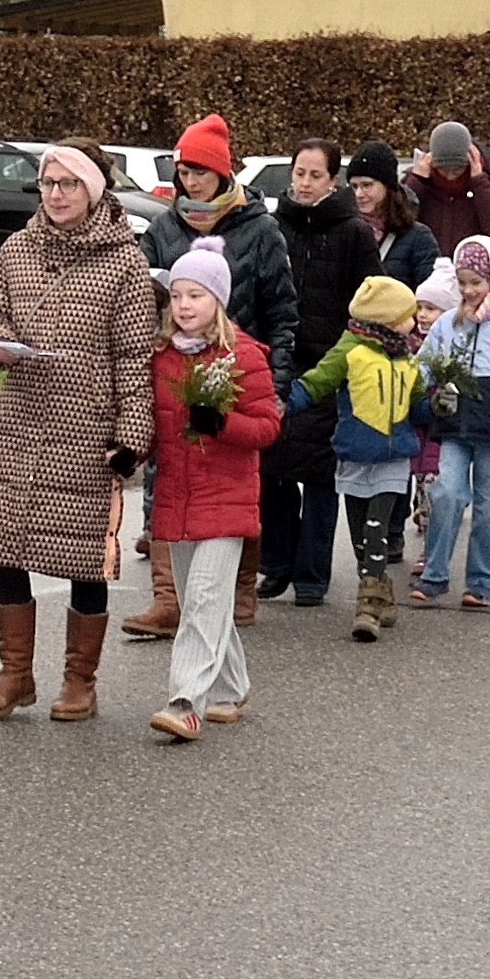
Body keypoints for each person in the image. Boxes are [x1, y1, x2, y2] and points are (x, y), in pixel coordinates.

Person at [0, 145, 162, 724]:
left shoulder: (125, 262)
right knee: (8, 546)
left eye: (67, 184)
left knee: (84, 559)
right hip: (20, 423)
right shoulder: (16, 249)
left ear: (93, 190)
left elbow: (133, 357)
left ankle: (80, 680)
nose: (54, 194)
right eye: (47, 184)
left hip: (86, 429)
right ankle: (15, 673)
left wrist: (132, 434)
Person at [129, 114, 294, 642]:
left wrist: (281, 382)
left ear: (222, 174)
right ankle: (167, 597)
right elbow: (142, 298)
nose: (191, 182)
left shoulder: (259, 229)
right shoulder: (163, 227)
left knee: (230, 482)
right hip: (174, 364)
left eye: (200, 171)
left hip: (237, 369)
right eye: (183, 171)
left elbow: (283, 311)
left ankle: (238, 590)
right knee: (165, 477)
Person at [142, 240, 283, 740]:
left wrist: (221, 422)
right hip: (177, 502)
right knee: (204, 599)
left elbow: (267, 428)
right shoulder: (160, 358)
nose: (183, 306)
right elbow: (151, 426)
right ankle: (230, 687)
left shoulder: (242, 355)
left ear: (218, 300)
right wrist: (128, 453)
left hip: (226, 500)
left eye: (196, 295)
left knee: (202, 600)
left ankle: (185, 701)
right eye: (177, 295)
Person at [267, 139, 378, 605]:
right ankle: (276, 564)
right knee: (271, 470)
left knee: (318, 475)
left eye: (316, 175)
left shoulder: (353, 232)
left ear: (333, 180)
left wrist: (347, 355)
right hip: (279, 361)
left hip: (329, 366)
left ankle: (312, 575)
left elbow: (368, 300)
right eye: (300, 173)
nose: (305, 183)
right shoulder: (273, 226)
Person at [293, 276, 428, 642]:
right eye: (406, 316)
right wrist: (286, 401)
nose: (413, 323)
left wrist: (438, 405)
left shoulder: (406, 356)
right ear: (385, 320)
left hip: (393, 457)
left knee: (376, 529)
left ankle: (366, 607)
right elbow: (319, 381)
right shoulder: (350, 350)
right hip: (355, 454)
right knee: (359, 538)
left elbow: (418, 405)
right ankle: (380, 589)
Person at [407, 234, 490, 609]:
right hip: (454, 429)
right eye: (462, 283)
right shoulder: (449, 325)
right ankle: (434, 574)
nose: (469, 290)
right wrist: (425, 402)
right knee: (446, 492)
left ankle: (482, 582)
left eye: (476, 283)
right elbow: (423, 371)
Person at [411, 121, 490, 263]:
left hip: (475, 276)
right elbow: (397, 221)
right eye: (443, 170)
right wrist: (416, 181)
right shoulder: (422, 184)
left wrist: (480, 183)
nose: (450, 176)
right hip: (427, 273)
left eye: (457, 170)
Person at [354, 144, 438, 292]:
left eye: (366, 185)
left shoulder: (419, 237)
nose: (359, 194)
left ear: (387, 186)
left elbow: (431, 296)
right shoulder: (344, 232)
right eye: (354, 186)